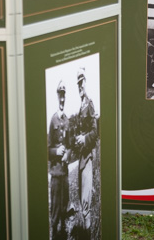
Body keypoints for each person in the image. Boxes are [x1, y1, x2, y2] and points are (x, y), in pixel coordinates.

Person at [70, 68, 98, 237]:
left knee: (86, 203)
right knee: (81, 199)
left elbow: (95, 132)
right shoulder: (81, 107)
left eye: (82, 82)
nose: (80, 85)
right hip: (81, 157)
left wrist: (84, 138)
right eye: (78, 83)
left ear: (86, 82)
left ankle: (88, 235)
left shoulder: (90, 103)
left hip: (87, 157)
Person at [47, 80, 70, 240]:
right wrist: (57, 151)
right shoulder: (53, 120)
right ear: (57, 96)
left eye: (64, 96)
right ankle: (54, 235)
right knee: (55, 209)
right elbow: (47, 150)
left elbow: (68, 144)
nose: (62, 99)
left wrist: (67, 152)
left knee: (64, 206)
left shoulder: (67, 121)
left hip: (65, 172)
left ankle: (63, 233)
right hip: (55, 173)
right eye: (60, 95)